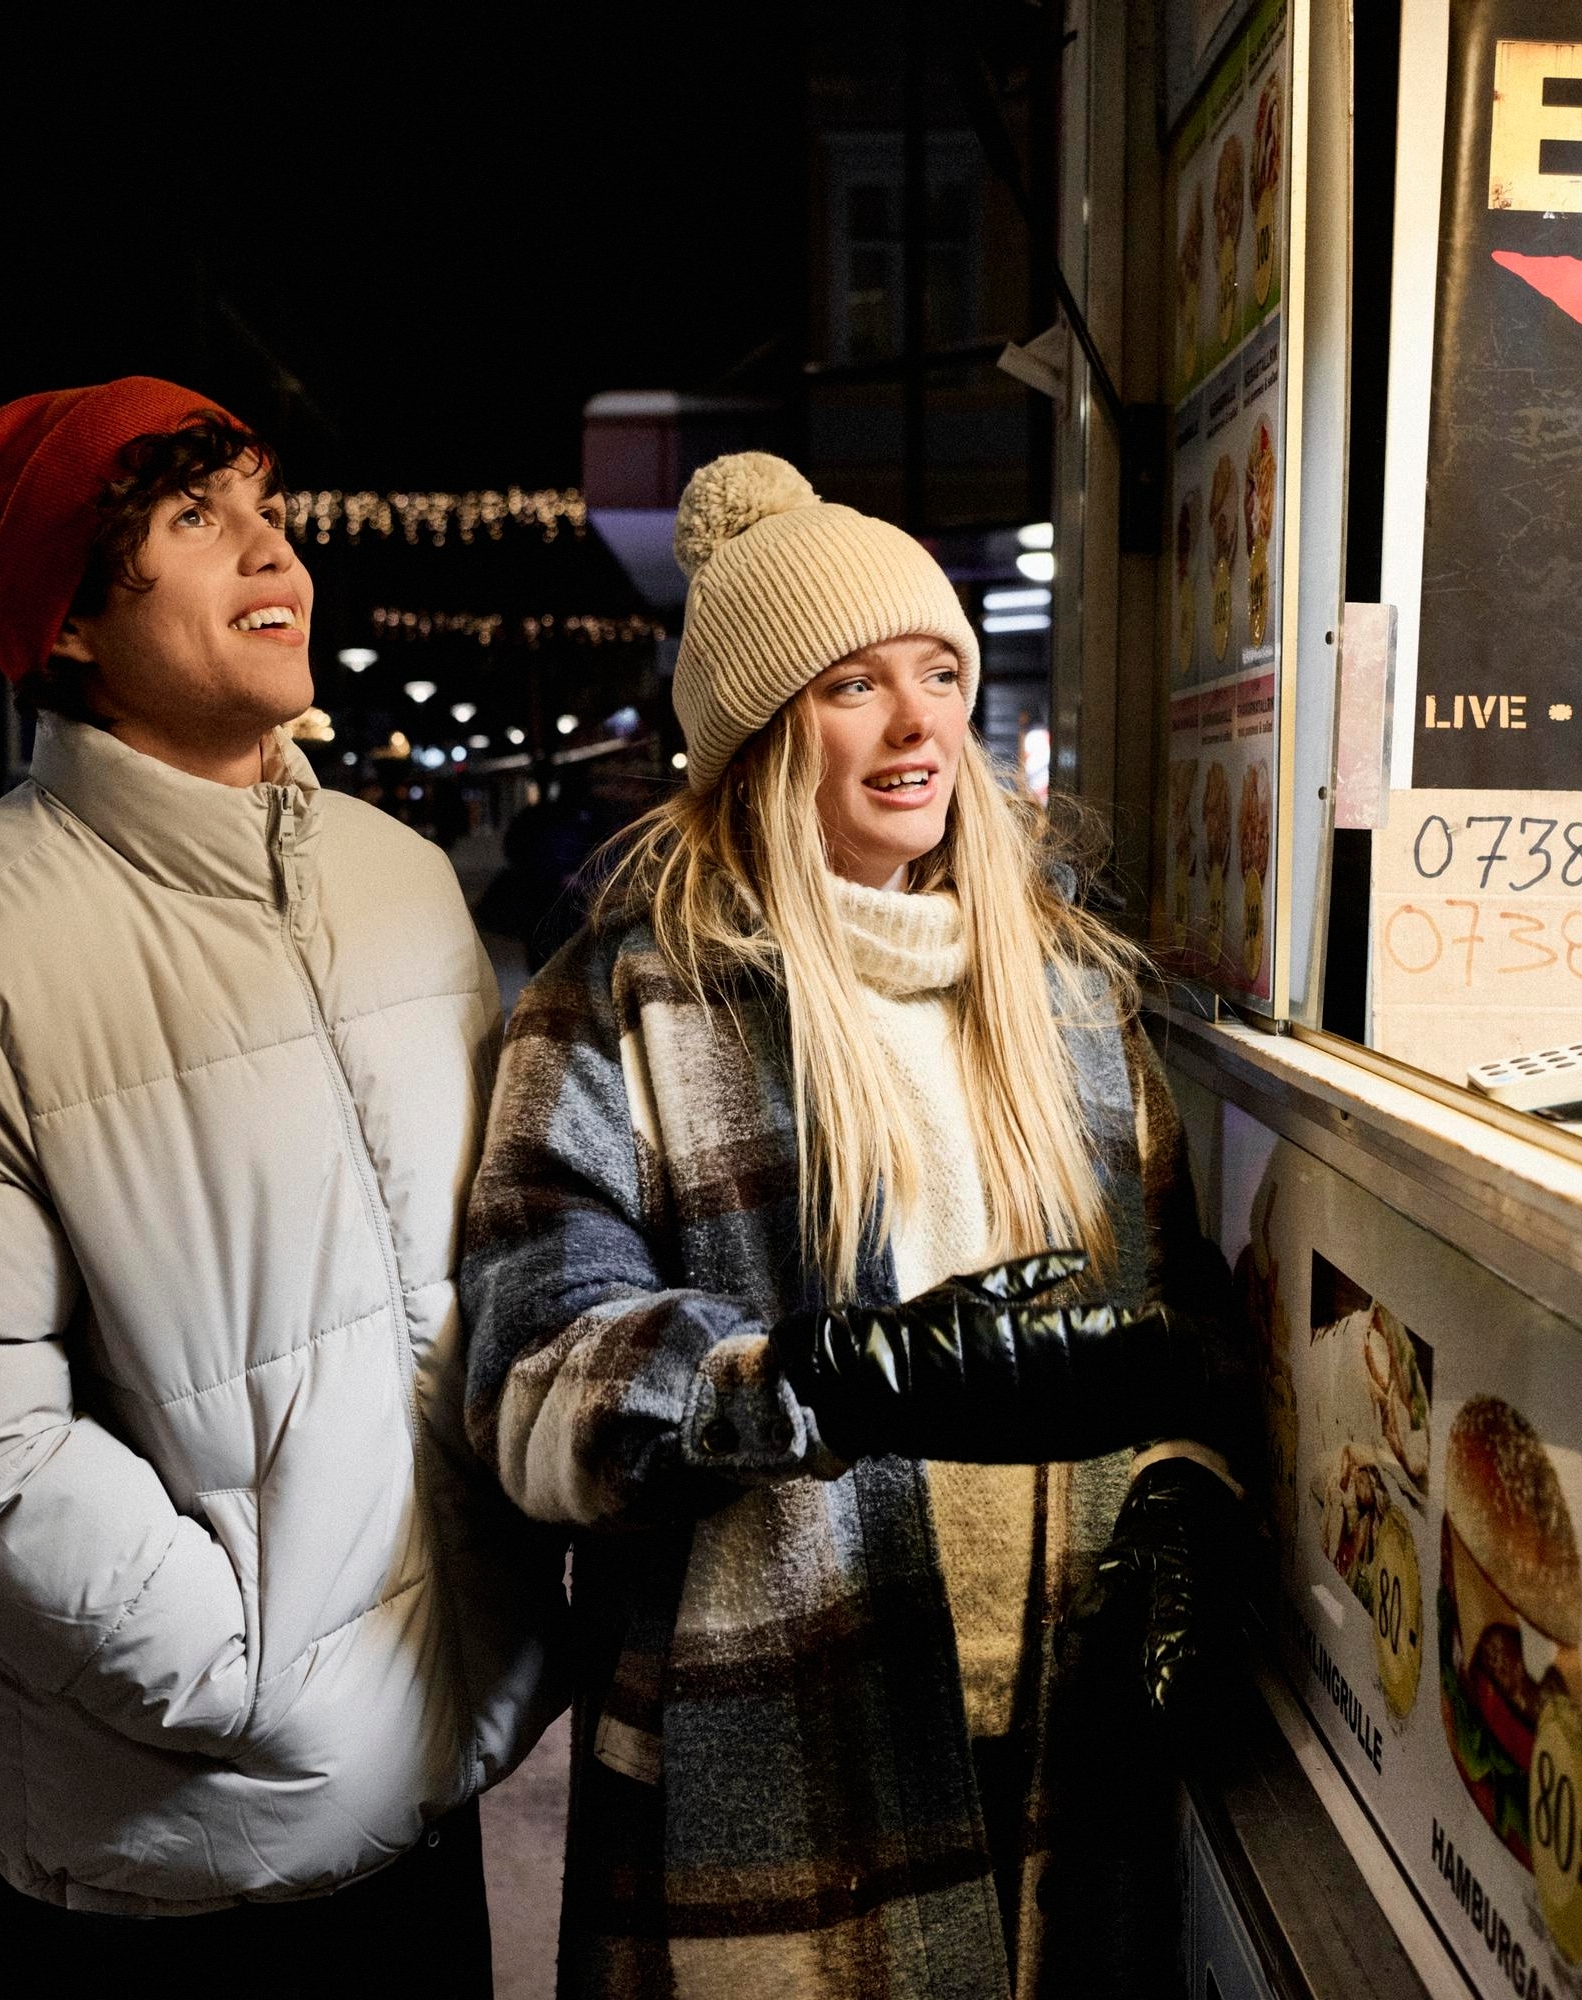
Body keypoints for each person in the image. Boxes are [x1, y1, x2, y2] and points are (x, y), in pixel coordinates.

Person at [0, 377, 564, 1993]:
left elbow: (503, 1266)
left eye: (269, 506)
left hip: (434, 1796)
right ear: (65, 617)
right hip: (173, 1877)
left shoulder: (403, 888)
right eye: (196, 520)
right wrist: (251, 1679)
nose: (271, 550)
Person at [461, 453, 1248, 1998]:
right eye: (852, 686)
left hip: (1060, 1739)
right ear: (759, 737)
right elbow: (532, 1379)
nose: (918, 726)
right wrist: (823, 1380)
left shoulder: (1072, 999)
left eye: (940, 672)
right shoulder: (626, 1004)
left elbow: (1178, 1337)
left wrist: (1180, 1494)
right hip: (780, 1745)